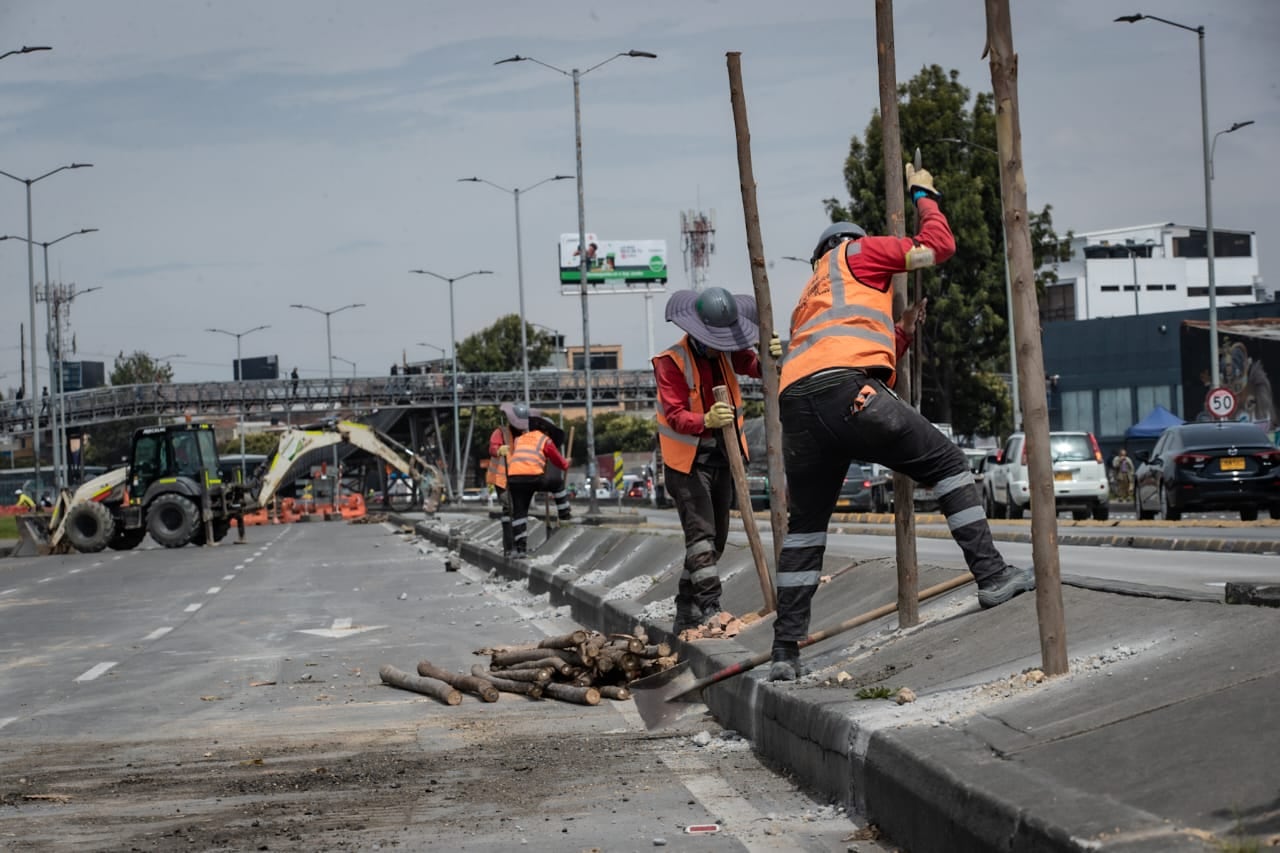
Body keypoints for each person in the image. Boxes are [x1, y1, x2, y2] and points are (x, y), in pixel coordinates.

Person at [768, 160, 1035, 682]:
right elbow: (938, 245)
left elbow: (847, 345)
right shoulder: (860, 252)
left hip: (797, 407)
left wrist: (902, 333)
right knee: (948, 463)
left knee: (804, 530)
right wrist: (923, 195)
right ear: (848, 242)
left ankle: (784, 653)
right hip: (847, 391)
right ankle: (992, 575)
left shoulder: (809, 292)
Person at [652, 286, 782, 637]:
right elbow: (676, 415)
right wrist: (706, 420)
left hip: (723, 458)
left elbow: (755, 366)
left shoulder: (728, 349)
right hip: (687, 463)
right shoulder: (670, 362)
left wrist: (771, 357)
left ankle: (686, 609)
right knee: (701, 537)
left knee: (717, 540)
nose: (721, 345)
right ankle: (710, 608)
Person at [501, 402, 571, 557]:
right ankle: (565, 514)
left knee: (520, 513)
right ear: (546, 430)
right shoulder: (545, 440)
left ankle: (520, 549)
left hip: (514, 480)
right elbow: (559, 461)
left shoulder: (520, 439)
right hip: (532, 477)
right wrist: (567, 463)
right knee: (557, 484)